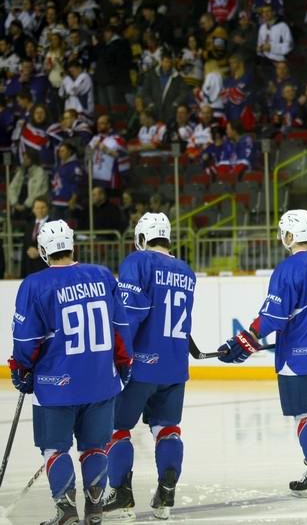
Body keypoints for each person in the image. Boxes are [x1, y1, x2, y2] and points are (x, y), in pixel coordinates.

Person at [217, 209, 307, 496]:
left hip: (301, 355)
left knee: (305, 416)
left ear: (290, 235)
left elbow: (272, 317)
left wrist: (246, 339)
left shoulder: (289, 268)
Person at [8, 220, 131, 525]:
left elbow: (26, 340)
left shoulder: (35, 284)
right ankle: (94, 509)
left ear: (43, 250)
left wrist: (21, 370)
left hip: (56, 384)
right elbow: (120, 328)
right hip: (102, 380)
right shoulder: (103, 276)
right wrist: (123, 364)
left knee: (54, 447)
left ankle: (66, 511)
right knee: (94, 447)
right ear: (72, 245)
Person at [103, 213, 195, 520]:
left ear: (142, 238)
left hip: (141, 365)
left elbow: (131, 312)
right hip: (174, 364)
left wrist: (116, 353)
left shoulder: (137, 262)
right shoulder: (186, 270)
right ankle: (166, 493)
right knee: (166, 428)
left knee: (117, 429)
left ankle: (121, 495)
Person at [88, 115, 129, 191]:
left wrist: (107, 150)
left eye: (101, 123)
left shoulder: (117, 139)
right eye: (98, 123)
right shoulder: (95, 138)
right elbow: (88, 155)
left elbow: (123, 155)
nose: (98, 126)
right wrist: (91, 150)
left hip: (110, 177)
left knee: (111, 198)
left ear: (109, 125)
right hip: (95, 176)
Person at [20, 196, 49, 278]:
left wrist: (40, 253)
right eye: (37, 208)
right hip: (30, 271)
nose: (40, 210)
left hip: (45, 269)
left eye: (43, 207)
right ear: (33, 209)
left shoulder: (53, 224)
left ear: (48, 208)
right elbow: (25, 248)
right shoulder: (29, 226)